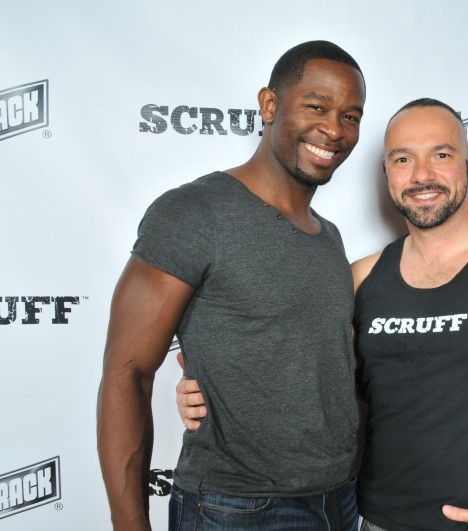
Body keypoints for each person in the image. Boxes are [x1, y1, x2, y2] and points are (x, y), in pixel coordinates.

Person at [178, 98, 468, 530]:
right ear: (387, 173)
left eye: (441, 155)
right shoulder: (360, 277)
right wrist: (210, 391)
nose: (422, 175)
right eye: (404, 159)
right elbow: (309, 383)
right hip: (371, 520)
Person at [96, 40, 367, 531]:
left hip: (338, 501)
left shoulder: (329, 236)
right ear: (269, 105)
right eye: (316, 106)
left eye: (350, 116)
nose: (334, 129)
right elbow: (127, 373)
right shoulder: (194, 212)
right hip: (236, 509)